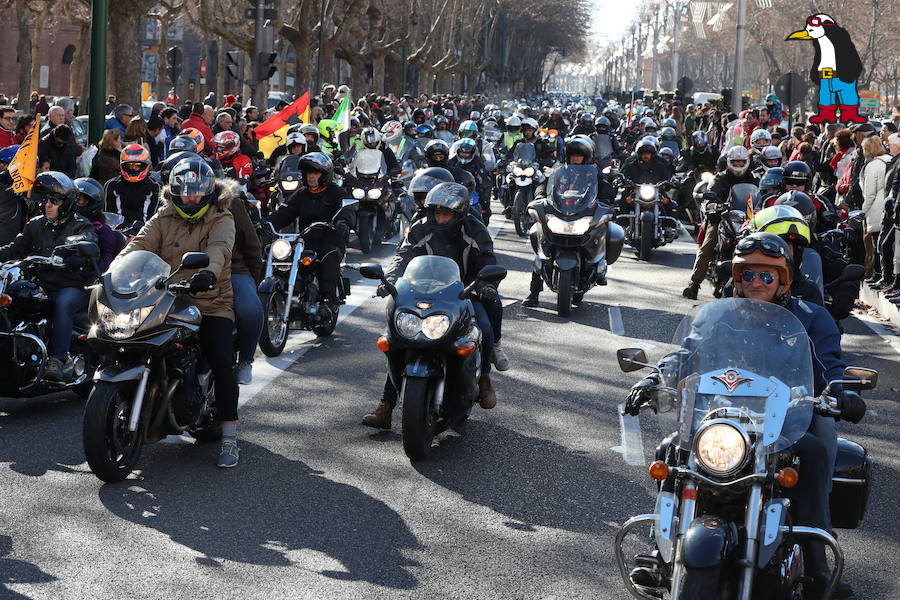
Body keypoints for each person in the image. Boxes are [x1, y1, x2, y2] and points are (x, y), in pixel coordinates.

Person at [626, 231, 859, 598]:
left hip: (783, 422)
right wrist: (658, 376)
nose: (756, 282)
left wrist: (841, 390)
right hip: (722, 420)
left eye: (767, 275)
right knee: (670, 451)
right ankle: (661, 549)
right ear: (736, 277)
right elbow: (686, 354)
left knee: (813, 454)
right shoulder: (716, 317)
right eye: (747, 274)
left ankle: (817, 563)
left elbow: (830, 366)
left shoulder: (813, 319)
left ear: (784, 279)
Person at [121, 158, 240, 468]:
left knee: (221, 360)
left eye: (197, 193)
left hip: (210, 301)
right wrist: (112, 272)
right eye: (184, 193)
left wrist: (209, 274)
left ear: (209, 192)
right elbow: (139, 244)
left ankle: (230, 437)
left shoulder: (221, 218)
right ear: (173, 192)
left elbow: (219, 250)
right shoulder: (164, 216)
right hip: (164, 299)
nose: (191, 199)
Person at [361, 182, 501, 429]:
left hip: (465, 292)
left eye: (446, 214)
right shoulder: (420, 227)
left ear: (459, 214)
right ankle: (385, 406)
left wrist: (486, 285)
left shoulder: (475, 230)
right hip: (421, 291)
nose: (440, 218)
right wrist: (391, 279)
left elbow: (488, 259)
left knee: (486, 330)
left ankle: (485, 378)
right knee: (398, 340)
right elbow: (402, 256)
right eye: (436, 212)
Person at [0, 172, 98, 381]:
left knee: (62, 303)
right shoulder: (35, 224)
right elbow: (15, 248)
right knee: (13, 298)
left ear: (67, 202)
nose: (48, 205)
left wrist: (71, 257)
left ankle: (57, 359)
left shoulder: (81, 225)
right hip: (43, 285)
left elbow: (89, 247)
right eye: (46, 200)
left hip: (72, 286)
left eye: (55, 200)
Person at [265, 153, 351, 308]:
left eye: (315, 173)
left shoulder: (336, 192)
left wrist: (343, 222)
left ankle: (327, 301)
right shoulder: (302, 193)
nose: (311, 177)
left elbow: (348, 210)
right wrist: (267, 224)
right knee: (283, 259)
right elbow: (285, 212)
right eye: (308, 173)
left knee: (328, 257)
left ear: (325, 174)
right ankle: (287, 293)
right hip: (305, 239)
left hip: (330, 238)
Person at [682, 145, 758, 299]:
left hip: (748, 220)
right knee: (709, 241)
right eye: (735, 162)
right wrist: (713, 207)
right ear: (729, 162)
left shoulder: (754, 179)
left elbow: (759, 196)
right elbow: (711, 195)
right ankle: (694, 284)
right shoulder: (720, 178)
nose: (738, 166)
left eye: (741, 162)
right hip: (724, 217)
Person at [103, 144, 160, 224]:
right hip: (118, 232)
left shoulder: (154, 187)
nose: (133, 169)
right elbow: (108, 214)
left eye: (137, 166)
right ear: (122, 166)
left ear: (147, 165)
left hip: (145, 232)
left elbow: (155, 217)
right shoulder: (112, 186)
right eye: (129, 166)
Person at [859, 135, 890, 280]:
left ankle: (878, 274)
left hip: (876, 208)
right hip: (889, 204)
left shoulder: (872, 166)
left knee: (877, 243)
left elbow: (869, 193)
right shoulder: (889, 160)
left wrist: (863, 210)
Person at [73, 177, 118, 272]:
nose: (76, 204)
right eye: (75, 199)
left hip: (86, 278)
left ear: (93, 202)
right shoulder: (66, 223)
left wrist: (87, 265)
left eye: (81, 200)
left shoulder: (102, 230)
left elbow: (106, 262)